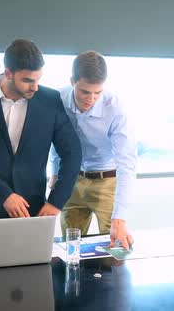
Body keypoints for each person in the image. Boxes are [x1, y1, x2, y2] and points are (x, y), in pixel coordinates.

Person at [0, 39, 82, 233]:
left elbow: (72, 152)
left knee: (38, 264)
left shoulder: (50, 100)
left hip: (36, 208)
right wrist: (5, 195)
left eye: (38, 79)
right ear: (9, 73)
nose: (35, 87)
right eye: (27, 80)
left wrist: (56, 202)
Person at [50, 51, 137, 249]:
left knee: (114, 248)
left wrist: (120, 218)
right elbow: (56, 138)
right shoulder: (58, 98)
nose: (91, 99)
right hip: (72, 179)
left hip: (106, 181)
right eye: (85, 92)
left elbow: (127, 163)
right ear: (72, 81)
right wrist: (55, 172)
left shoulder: (116, 108)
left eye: (97, 92)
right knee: (71, 248)